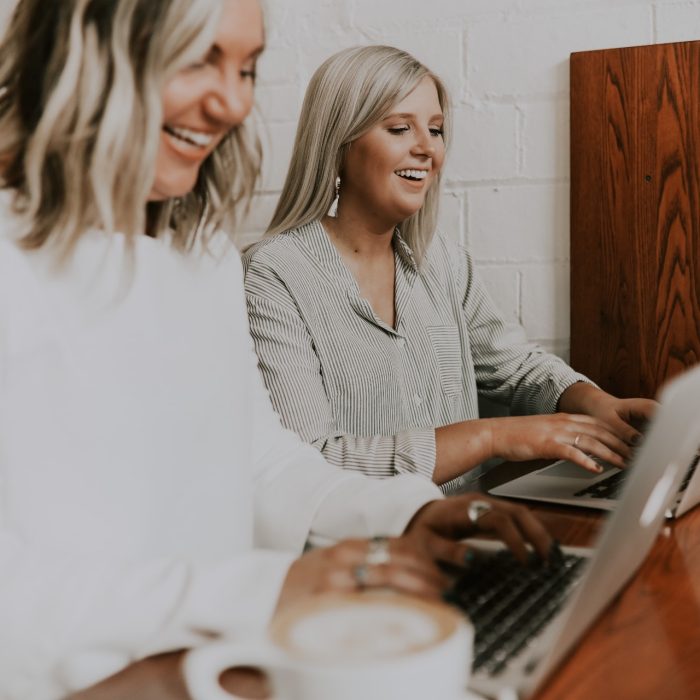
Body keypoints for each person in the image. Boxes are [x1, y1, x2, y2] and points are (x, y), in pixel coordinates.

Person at [0, 3, 553, 699]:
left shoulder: (200, 260)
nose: (232, 101)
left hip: (223, 672)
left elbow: (263, 461)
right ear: (88, 48)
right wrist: (262, 591)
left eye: (249, 67)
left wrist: (404, 514)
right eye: (199, 57)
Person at [243, 45, 657, 490]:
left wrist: (595, 402)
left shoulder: (443, 263)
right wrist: (491, 437)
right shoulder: (272, 275)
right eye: (400, 128)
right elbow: (311, 464)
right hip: (364, 551)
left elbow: (514, 367)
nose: (427, 148)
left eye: (436, 130)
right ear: (338, 143)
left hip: (468, 532)